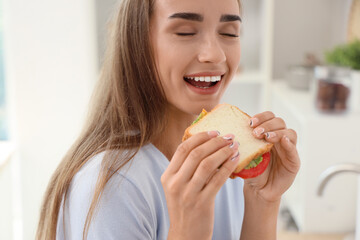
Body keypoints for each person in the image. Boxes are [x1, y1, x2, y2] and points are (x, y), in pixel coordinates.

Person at [36, 0, 300, 239]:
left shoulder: (227, 156)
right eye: (185, 32)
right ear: (137, 42)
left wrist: (262, 200)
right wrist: (187, 230)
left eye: (229, 33)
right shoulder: (112, 186)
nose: (215, 54)